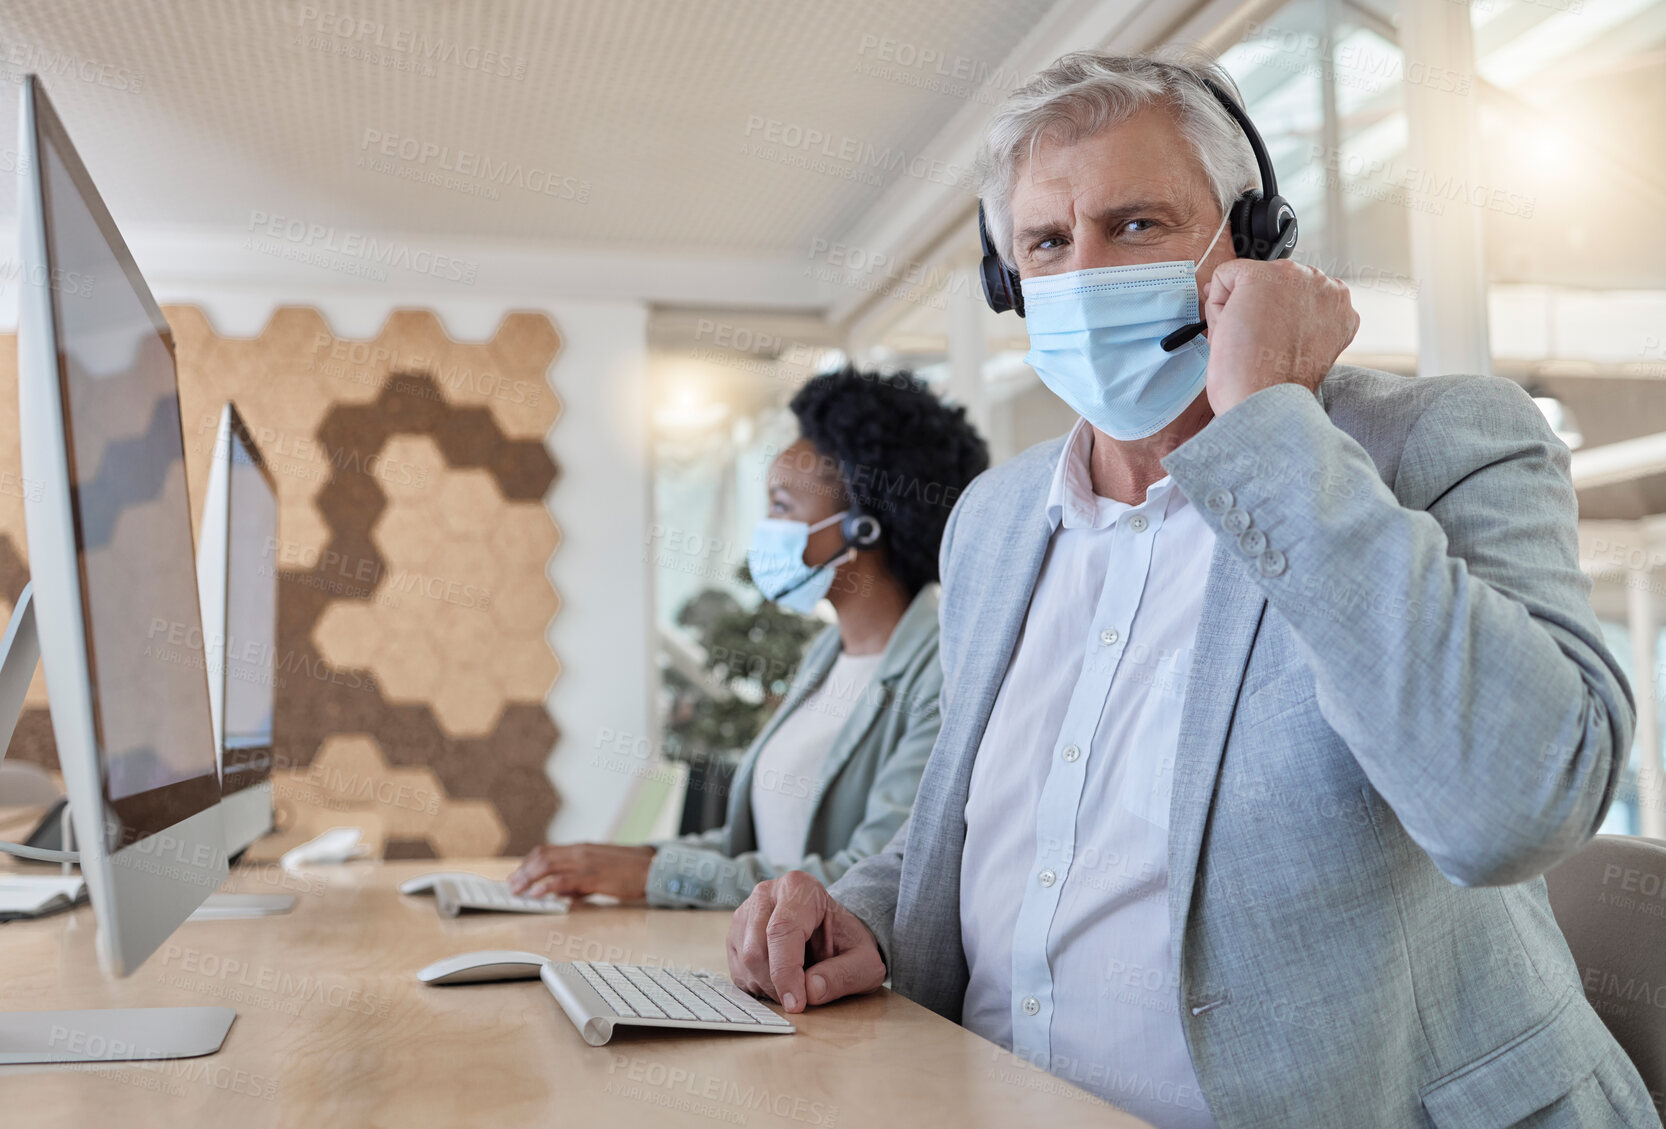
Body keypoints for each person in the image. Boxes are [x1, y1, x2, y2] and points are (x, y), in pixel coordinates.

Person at [724, 51, 1659, 1129]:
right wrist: (867, 919)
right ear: (1008, 282)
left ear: (1253, 243)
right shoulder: (995, 520)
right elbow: (978, 823)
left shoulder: (1438, 444)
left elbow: (1514, 802)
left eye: (1135, 226)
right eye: (1044, 242)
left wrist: (1269, 426)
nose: (1080, 273)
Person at [508, 367, 987, 908]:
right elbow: (756, 843)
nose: (765, 528)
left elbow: (871, 876)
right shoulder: (827, 654)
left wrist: (653, 875)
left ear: (864, 527)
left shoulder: (942, 673)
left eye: (782, 506)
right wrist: (631, 862)